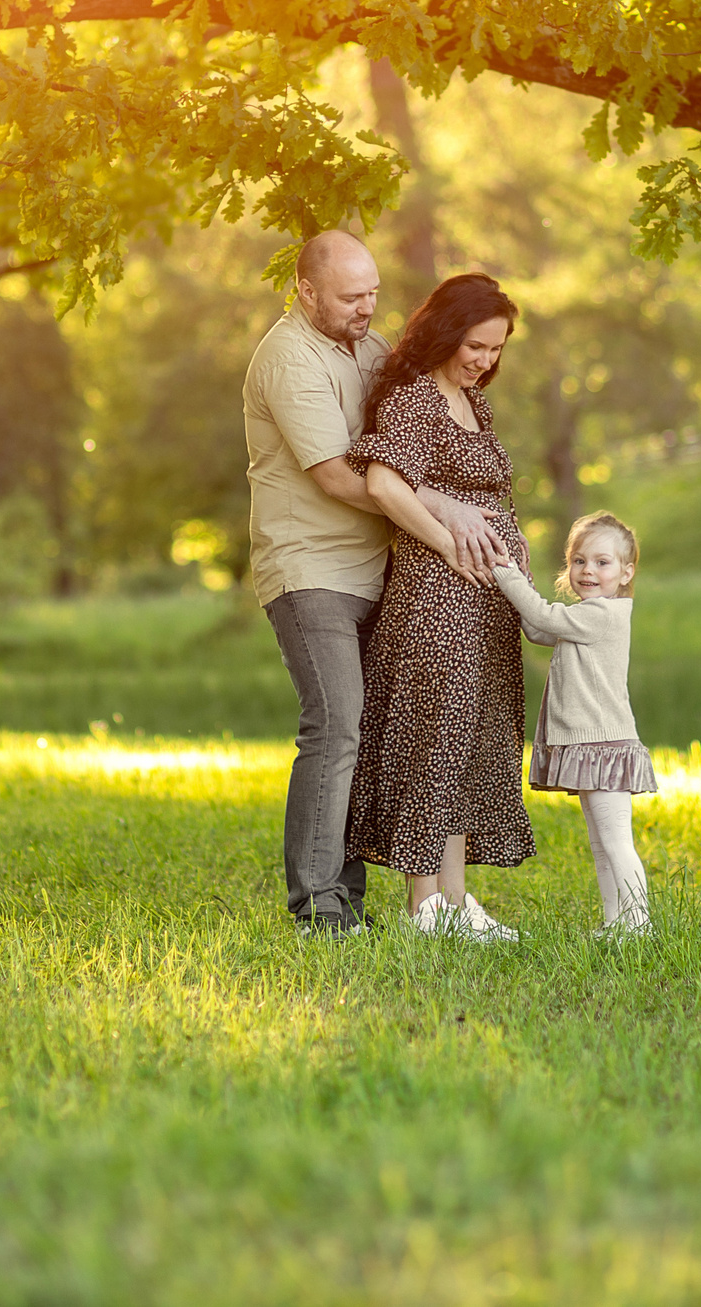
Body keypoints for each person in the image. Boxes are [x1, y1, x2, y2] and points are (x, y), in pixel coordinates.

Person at [244, 232, 505, 936]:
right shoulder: (288, 357)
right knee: (336, 723)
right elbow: (337, 474)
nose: (366, 308)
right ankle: (319, 909)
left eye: (373, 294)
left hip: (382, 568)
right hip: (311, 568)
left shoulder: (369, 347)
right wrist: (442, 509)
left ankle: (356, 895)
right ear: (306, 289)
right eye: (350, 297)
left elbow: (411, 436)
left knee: (374, 728)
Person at [344, 273, 535, 941]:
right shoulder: (416, 398)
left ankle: (455, 903)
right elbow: (386, 485)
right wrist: (451, 544)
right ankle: (425, 906)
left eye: (496, 349)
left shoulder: (471, 403)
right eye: (477, 344)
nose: (486, 359)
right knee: (433, 741)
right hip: (435, 602)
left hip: (482, 608)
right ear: (448, 331)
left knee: (467, 741)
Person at [493, 511, 656, 936]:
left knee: (616, 843)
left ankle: (639, 925)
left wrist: (505, 572)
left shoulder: (604, 615)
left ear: (626, 572)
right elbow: (537, 628)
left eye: (603, 562)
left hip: (604, 745)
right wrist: (522, 579)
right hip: (591, 745)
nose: (588, 571)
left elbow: (544, 617)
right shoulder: (584, 617)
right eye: (579, 561)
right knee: (601, 846)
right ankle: (616, 923)